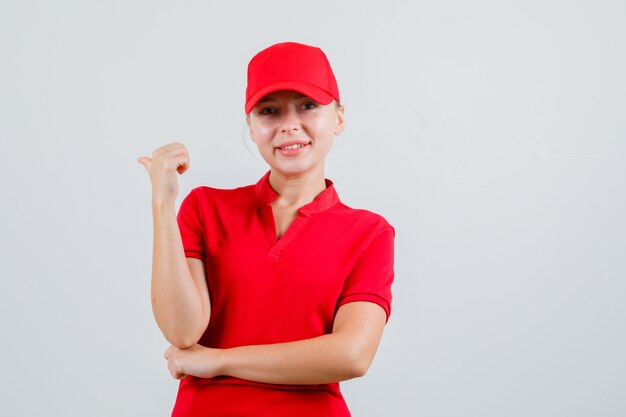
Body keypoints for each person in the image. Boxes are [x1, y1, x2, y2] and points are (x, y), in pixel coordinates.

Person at [137, 41, 395, 417]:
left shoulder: (369, 232)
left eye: (307, 106)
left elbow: (352, 354)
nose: (289, 124)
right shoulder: (206, 208)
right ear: (252, 127)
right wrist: (162, 205)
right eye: (269, 111)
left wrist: (219, 361)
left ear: (338, 118)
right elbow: (182, 332)